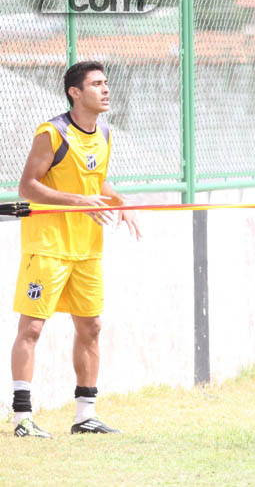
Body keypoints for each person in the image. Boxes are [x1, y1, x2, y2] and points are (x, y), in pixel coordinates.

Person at [10, 60, 141, 437]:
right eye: (97, 84)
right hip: (48, 246)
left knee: (91, 327)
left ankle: (85, 415)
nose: (106, 90)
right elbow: (28, 187)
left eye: (106, 83)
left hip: (87, 249)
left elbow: (96, 183)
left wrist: (121, 202)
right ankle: (22, 418)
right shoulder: (52, 133)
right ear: (75, 92)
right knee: (32, 328)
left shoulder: (105, 134)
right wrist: (77, 201)